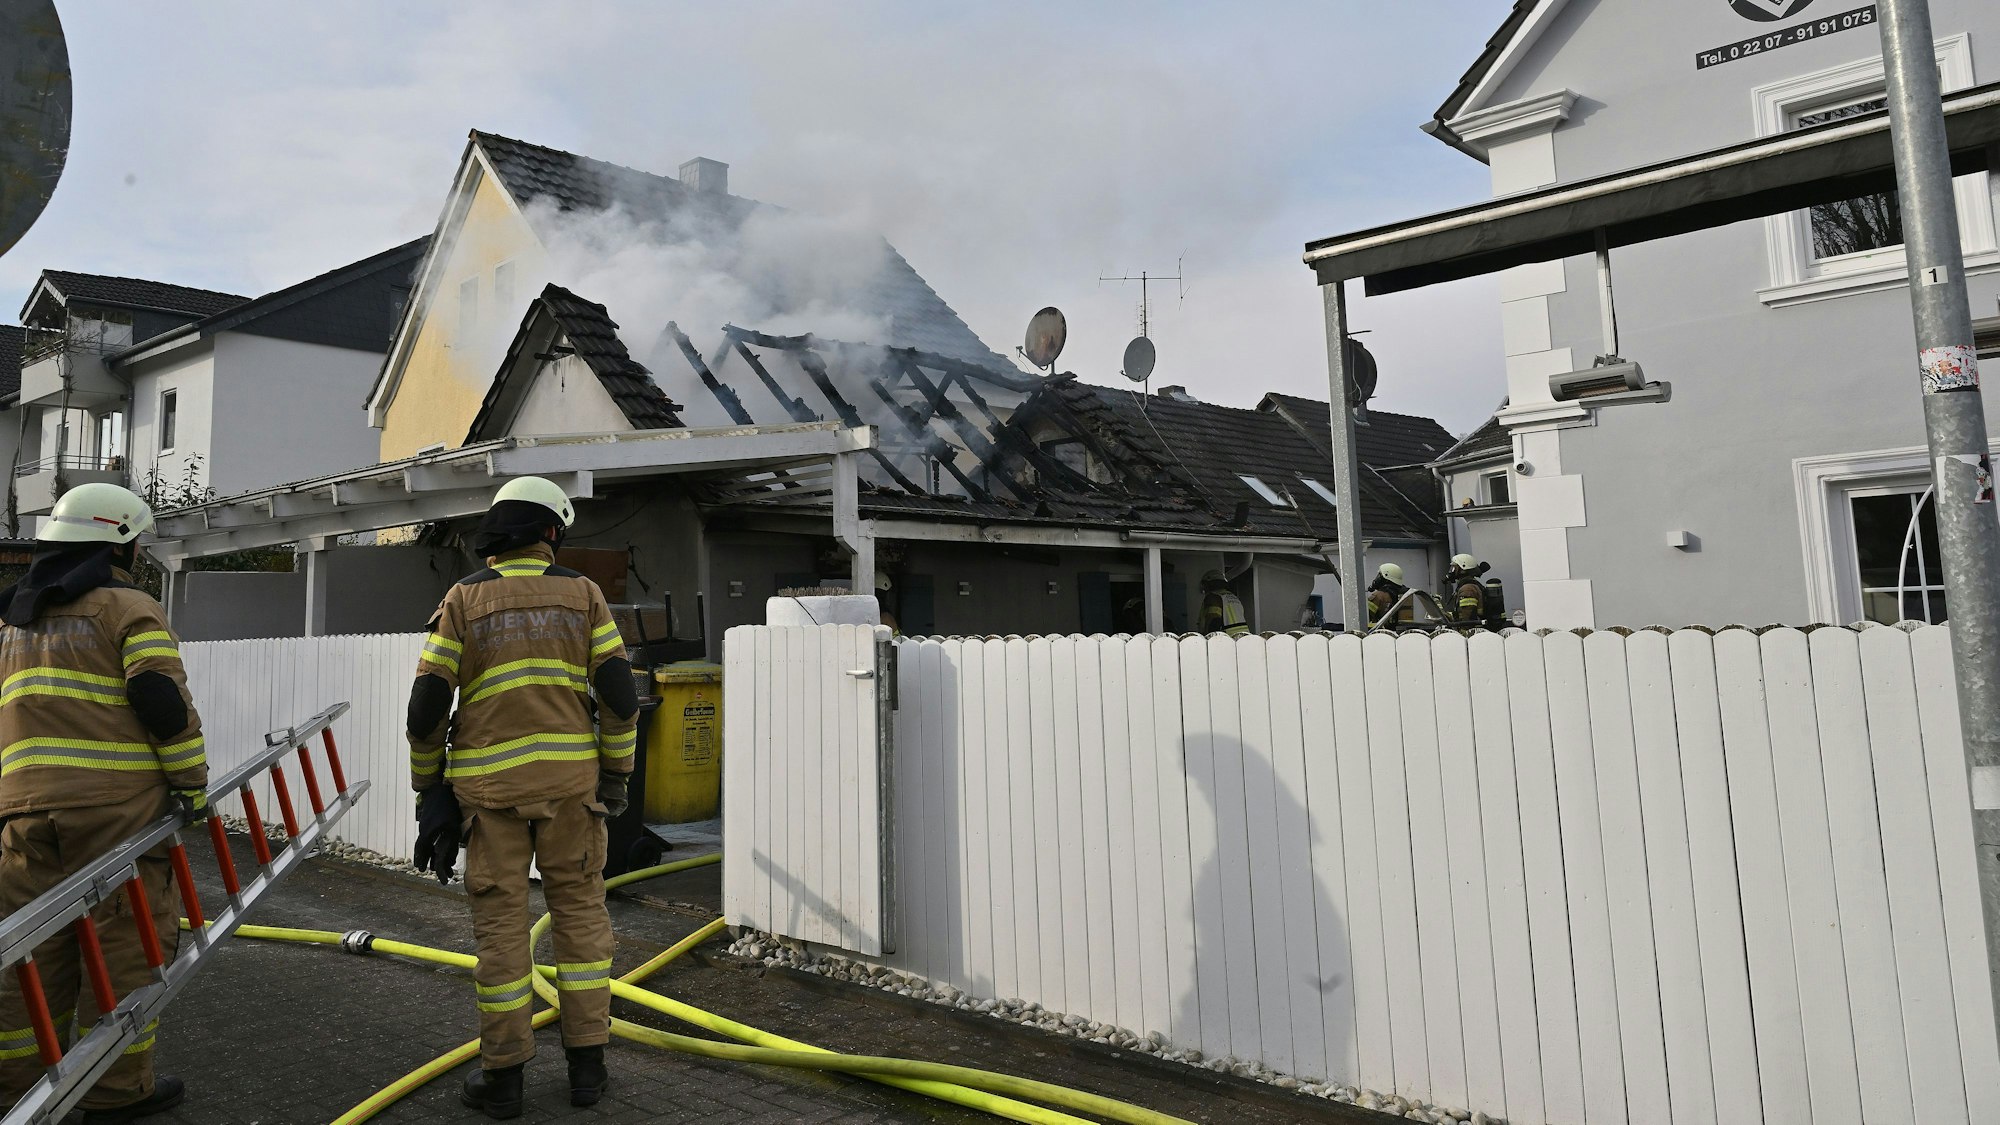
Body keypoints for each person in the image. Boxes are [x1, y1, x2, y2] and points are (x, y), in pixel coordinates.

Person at [406, 477, 639, 1119]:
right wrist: (615, 777)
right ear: (551, 532)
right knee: (581, 918)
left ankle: (504, 1078)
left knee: (502, 931)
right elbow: (620, 699)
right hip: (571, 792)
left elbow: (426, 707)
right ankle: (588, 1070)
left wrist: (429, 791)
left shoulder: (463, 599)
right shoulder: (584, 595)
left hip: (490, 796)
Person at [0, 484, 205, 1123]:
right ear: (120, 544)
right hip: (115, 815)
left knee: (30, 954)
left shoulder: (13, 622)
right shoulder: (128, 607)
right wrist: (191, 784)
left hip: (22, 815)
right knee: (124, 944)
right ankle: (117, 1092)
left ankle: (18, 1096)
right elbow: (160, 701)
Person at [1444, 553, 1492, 626]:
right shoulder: (1468, 586)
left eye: (1454, 567)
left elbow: (1467, 618)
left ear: (1463, 569)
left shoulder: (1468, 589)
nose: (1452, 571)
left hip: (1471, 631)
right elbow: (1461, 613)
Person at [1198, 570, 1250, 637]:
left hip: (1228, 638)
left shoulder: (1213, 597)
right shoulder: (1233, 597)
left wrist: (1209, 639)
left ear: (1209, 583)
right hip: (1244, 637)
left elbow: (1213, 622)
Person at [1367, 562, 1410, 627]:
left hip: (1381, 632)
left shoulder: (1378, 596)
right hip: (1401, 631)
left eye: (1380, 575)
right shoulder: (1406, 594)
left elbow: (1365, 617)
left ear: (1386, 577)